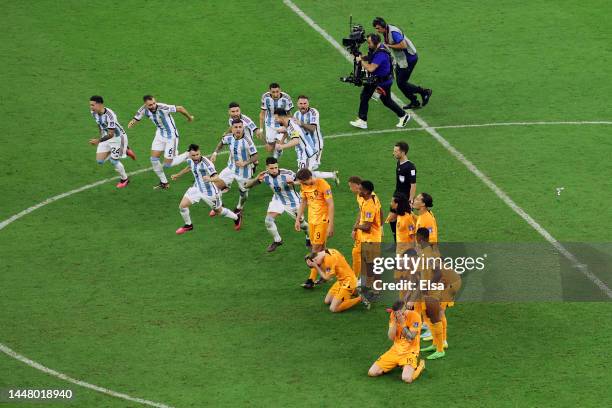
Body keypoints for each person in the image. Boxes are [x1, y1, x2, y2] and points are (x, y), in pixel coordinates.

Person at [170, 144, 241, 234]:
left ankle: (236, 217)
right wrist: (178, 175)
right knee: (182, 206)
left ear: (200, 153)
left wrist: (210, 179)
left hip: (210, 193)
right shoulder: (189, 159)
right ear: (189, 154)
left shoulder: (207, 164)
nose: (196, 157)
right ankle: (188, 225)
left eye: (198, 154)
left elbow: (217, 177)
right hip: (196, 188)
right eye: (193, 155)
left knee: (219, 211)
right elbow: (190, 167)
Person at [128, 95, 194, 189]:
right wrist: (133, 121)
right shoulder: (143, 109)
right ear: (146, 105)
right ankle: (164, 182)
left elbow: (180, 108)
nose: (153, 106)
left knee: (168, 164)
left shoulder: (163, 107)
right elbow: (137, 117)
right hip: (160, 134)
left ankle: (188, 154)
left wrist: (189, 117)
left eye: (154, 103)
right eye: (150, 105)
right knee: (154, 159)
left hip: (171, 137)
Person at [244, 157, 310, 252]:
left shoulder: (287, 173)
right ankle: (278, 240)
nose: (274, 170)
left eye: (276, 168)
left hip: (292, 202)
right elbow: (247, 186)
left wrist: (293, 182)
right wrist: (256, 178)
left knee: (303, 225)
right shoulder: (264, 175)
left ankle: (309, 235)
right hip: (278, 199)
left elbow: (304, 181)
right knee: (268, 220)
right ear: (267, 167)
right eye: (271, 168)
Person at [349, 33, 411, 130]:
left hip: (381, 82)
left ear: (375, 42)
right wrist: (361, 57)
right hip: (382, 80)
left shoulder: (381, 54)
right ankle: (403, 115)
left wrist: (360, 61)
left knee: (365, 96)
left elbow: (370, 68)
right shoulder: (378, 48)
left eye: (369, 43)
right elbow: (370, 57)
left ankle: (362, 121)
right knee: (386, 101)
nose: (368, 44)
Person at [373, 17, 432, 109]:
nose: (377, 30)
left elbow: (403, 45)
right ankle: (416, 99)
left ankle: (423, 93)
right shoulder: (386, 31)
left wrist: (388, 46)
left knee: (401, 83)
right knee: (401, 83)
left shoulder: (393, 32)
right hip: (400, 60)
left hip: (409, 59)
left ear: (383, 26)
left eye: (378, 28)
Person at [368, 300, 425, 383]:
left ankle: (420, 365)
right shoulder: (393, 315)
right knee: (372, 372)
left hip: (410, 351)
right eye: (396, 313)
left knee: (406, 378)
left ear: (405, 309)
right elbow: (391, 337)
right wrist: (394, 322)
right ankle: (399, 363)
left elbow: (411, 338)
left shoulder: (415, 316)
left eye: (400, 313)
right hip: (395, 350)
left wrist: (402, 324)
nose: (398, 315)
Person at [273, 109, 338, 183]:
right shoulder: (288, 122)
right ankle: (332, 175)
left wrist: (282, 146)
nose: (275, 120)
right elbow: (287, 130)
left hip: (307, 153)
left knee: (301, 177)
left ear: (282, 117)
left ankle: (307, 191)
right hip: (303, 152)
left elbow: (296, 140)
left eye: (276, 118)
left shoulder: (292, 126)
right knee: (306, 173)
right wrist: (281, 141)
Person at [295, 169, 335, 289]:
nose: (304, 184)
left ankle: (311, 279)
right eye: (302, 182)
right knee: (322, 249)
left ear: (310, 177)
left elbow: (331, 204)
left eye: (305, 181)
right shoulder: (303, 185)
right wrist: (298, 219)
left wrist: (331, 225)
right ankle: (327, 272)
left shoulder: (323, 184)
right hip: (312, 220)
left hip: (323, 221)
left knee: (315, 249)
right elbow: (303, 201)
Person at [210, 119, 259, 214]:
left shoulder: (248, 142)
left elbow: (256, 156)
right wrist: (215, 153)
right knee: (215, 186)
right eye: (235, 127)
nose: (238, 129)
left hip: (244, 172)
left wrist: (245, 163)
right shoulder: (229, 138)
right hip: (230, 168)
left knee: (243, 193)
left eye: (240, 127)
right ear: (232, 129)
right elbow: (222, 143)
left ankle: (239, 207)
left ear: (243, 128)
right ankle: (219, 206)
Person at [88, 95, 136, 189]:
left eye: (93, 105)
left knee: (114, 160)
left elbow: (111, 134)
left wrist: (98, 141)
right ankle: (125, 149)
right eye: (90, 105)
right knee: (100, 161)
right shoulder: (93, 113)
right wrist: (100, 136)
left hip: (118, 138)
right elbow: (99, 125)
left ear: (100, 104)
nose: (91, 107)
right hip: (105, 136)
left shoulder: (110, 116)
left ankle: (124, 179)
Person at [306, 249, 370, 312]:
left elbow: (327, 278)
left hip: (348, 281)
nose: (318, 266)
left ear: (315, 259)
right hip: (341, 280)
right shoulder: (327, 251)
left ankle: (361, 298)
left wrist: (316, 267)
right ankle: (355, 291)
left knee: (333, 308)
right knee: (327, 301)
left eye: (316, 265)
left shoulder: (329, 259)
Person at [292, 96, 338, 182]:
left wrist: (301, 123)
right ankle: (332, 175)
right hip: (304, 145)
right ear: (297, 104)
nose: (303, 105)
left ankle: (298, 181)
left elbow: (313, 128)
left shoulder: (313, 112)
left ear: (308, 104)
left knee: (310, 167)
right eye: (301, 103)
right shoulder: (296, 114)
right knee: (307, 167)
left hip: (316, 143)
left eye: (305, 103)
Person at [352, 180, 383, 296]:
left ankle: (377, 288)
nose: (358, 191)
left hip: (371, 239)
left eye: (360, 189)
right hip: (370, 238)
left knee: (373, 265)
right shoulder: (370, 199)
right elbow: (381, 211)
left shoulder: (369, 205)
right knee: (368, 263)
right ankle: (368, 285)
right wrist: (380, 225)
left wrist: (356, 226)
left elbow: (367, 227)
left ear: (366, 191)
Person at [388, 141, 417, 242]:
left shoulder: (410, 167)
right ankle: (397, 242)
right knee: (392, 219)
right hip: (397, 196)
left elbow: (413, 185)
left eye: (396, 151)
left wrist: (411, 200)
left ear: (403, 152)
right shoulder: (399, 162)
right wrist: (394, 196)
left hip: (405, 199)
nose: (393, 153)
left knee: (405, 223)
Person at [259, 83, 293, 158]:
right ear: (269, 91)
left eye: (277, 91)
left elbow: (289, 114)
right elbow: (262, 113)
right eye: (273, 92)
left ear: (280, 90)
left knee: (278, 145)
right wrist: (261, 129)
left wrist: (289, 126)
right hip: (269, 124)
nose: (275, 94)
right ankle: (275, 157)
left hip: (282, 124)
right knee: (270, 147)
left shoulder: (286, 98)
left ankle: (275, 160)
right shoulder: (265, 97)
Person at [348, 176, 364, 280]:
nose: (350, 189)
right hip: (362, 227)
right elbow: (360, 212)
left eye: (351, 186)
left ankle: (356, 278)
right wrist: (355, 228)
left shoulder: (367, 197)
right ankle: (356, 277)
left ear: (357, 185)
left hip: (368, 229)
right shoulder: (359, 196)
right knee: (357, 252)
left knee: (358, 252)